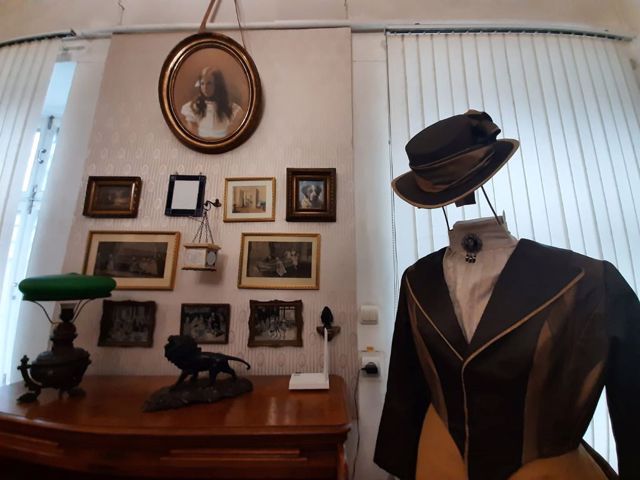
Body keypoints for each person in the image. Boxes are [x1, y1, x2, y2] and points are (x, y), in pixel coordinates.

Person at [375, 110, 639, 479]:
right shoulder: (417, 281)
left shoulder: (593, 281)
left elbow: (633, 400)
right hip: (440, 461)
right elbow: (406, 390)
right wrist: (402, 463)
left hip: (547, 471)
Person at [180, 67, 244, 139]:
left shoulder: (233, 109)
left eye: (209, 83)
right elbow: (192, 135)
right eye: (202, 83)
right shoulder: (192, 107)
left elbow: (232, 136)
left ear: (217, 85)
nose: (205, 88)